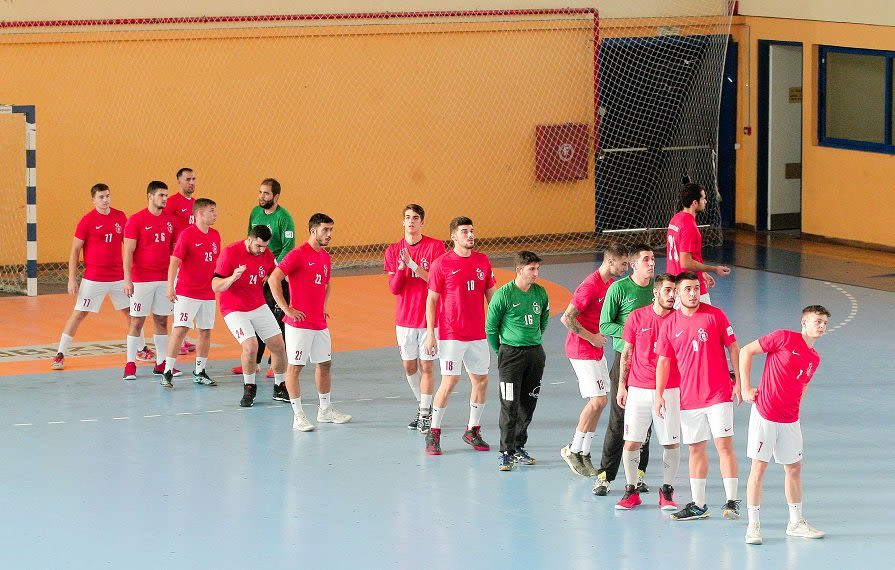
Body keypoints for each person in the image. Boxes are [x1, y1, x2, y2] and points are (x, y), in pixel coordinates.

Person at [739, 305, 830, 545]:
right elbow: (746, 351)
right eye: (817, 321)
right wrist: (745, 387)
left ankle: (795, 523)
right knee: (759, 469)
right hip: (765, 414)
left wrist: (794, 405)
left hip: (790, 419)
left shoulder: (814, 358)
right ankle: (753, 526)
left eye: (824, 323)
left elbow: (803, 384)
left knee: (794, 469)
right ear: (804, 322)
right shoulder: (783, 338)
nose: (822, 326)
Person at [655, 271, 742, 521]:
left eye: (696, 288)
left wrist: (739, 381)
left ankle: (732, 502)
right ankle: (699, 505)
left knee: (723, 445)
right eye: (688, 289)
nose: (693, 294)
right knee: (695, 449)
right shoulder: (670, 324)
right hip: (689, 398)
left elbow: (733, 347)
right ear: (677, 293)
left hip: (718, 394)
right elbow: (663, 362)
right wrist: (659, 395)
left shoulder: (715, 315)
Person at [269, 213, 351, 431]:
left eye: (331, 230)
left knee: (325, 364)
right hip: (299, 324)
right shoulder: (297, 254)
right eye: (325, 229)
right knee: (295, 368)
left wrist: (323, 306)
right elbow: (274, 278)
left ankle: (325, 410)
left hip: (319, 322)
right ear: (313, 230)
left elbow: (327, 283)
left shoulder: (325, 256)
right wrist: (287, 308)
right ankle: (298, 416)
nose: (329, 234)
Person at [422, 216, 497, 455]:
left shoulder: (482, 261)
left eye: (472, 231)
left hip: (478, 334)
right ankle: (433, 432)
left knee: (481, 381)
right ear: (453, 236)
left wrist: (499, 326)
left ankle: (472, 430)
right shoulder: (441, 264)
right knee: (450, 381)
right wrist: (431, 334)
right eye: (464, 231)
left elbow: (492, 296)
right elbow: (431, 300)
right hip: (451, 334)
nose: (470, 235)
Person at [558, 243, 629, 478]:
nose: (626, 268)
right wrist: (592, 337)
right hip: (581, 348)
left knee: (601, 401)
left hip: (595, 349)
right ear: (610, 261)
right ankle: (572, 449)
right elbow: (567, 319)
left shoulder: (609, 284)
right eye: (623, 264)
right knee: (598, 400)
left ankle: (584, 452)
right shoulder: (590, 286)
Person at [614, 274, 681, 510]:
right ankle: (631, 490)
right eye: (668, 291)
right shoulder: (637, 316)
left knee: (670, 443)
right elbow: (627, 352)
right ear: (656, 292)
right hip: (638, 389)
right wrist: (622, 386)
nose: (672, 296)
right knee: (631, 442)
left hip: (669, 390)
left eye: (675, 291)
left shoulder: (680, 319)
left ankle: (667, 491)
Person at [593, 244, 657, 496]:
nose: (651, 263)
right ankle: (605, 476)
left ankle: (638, 475)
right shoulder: (618, 289)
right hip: (626, 360)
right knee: (618, 420)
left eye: (653, 259)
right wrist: (633, 333)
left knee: (646, 423)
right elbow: (604, 325)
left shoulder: (657, 289)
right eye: (646, 259)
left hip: (650, 362)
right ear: (633, 264)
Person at [52, 184, 130, 370]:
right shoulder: (87, 221)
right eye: (101, 197)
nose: (105, 200)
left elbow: (129, 247)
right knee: (79, 313)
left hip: (118, 277)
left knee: (132, 313)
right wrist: (72, 279)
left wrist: (130, 274)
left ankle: (141, 349)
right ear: (93, 200)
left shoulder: (120, 217)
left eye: (107, 196)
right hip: (94, 278)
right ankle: (60, 354)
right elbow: (75, 251)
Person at [383, 204, 446, 431]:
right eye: (408, 217)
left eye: (416, 218)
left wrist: (412, 265)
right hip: (405, 320)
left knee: (427, 366)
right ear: (403, 222)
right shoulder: (393, 250)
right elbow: (394, 289)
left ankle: (425, 414)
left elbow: (436, 281)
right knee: (409, 366)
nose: (411, 221)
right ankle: (423, 406)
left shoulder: (435, 247)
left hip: (429, 319)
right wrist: (402, 268)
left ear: (422, 222)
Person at [485, 251, 549, 471]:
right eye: (532, 269)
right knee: (509, 404)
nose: (536, 273)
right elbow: (491, 328)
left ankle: (519, 446)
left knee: (528, 403)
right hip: (510, 355)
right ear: (519, 270)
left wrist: (533, 339)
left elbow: (543, 320)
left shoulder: (540, 293)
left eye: (537, 269)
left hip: (535, 354)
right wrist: (501, 351)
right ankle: (506, 451)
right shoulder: (503, 295)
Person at [231, 178, 295, 394]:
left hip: (275, 272)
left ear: (276, 197)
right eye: (260, 192)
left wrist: (274, 271)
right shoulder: (255, 213)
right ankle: (254, 362)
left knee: (277, 317)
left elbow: (288, 247)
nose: (261, 196)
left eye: (266, 193)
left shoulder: (284, 218)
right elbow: (250, 239)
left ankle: (274, 363)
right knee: (256, 313)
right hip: (259, 272)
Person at [213, 225, 288, 408]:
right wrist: (233, 277)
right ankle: (249, 387)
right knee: (250, 346)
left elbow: (275, 275)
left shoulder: (266, 254)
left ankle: (279, 386)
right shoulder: (230, 253)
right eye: (258, 246)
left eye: (265, 246)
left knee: (279, 345)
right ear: (249, 239)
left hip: (258, 305)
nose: (261, 250)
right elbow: (215, 285)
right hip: (234, 309)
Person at [160, 198, 221, 388]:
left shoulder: (215, 235)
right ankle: (167, 371)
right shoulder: (187, 235)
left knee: (205, 331)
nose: (215, 214)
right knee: (180, 329)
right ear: (200, 213)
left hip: (207, 292)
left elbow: (216, 263)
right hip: (187, 292)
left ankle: (199, 371)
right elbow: (174, 262)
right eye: (212, 211)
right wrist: (170, 286)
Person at [122, 181, 176, 380]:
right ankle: (130, 363)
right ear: (150, 196)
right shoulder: (136, 220)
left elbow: (175, 250)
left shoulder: (170, 220)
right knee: (137, 321)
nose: (165, 199)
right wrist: (127, 279)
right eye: (161, 195)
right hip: (141, 280)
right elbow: (128, 252)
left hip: (163, 279)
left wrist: (174, 279)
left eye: (166, 195)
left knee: (162, 320)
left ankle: (161, 363)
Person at [666, 182, 730, 304]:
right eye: (703, 198)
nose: (705, 201)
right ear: (695, 203)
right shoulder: (689, 227)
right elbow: (686, 262)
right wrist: (714, 269)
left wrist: (702, 272)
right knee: (707, 316)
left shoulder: (676, 219)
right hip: (691, 287)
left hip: (675, 284)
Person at [163, 167, 198, 356]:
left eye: (193, 179)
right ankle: (176, 338)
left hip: (192, 260)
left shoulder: (195, 204)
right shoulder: (172, 203)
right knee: (177, 297)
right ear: (179, 181)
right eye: (187, 179)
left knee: (188, 297)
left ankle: (182, 338)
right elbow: (165, 227)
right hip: (177, 257)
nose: (191, 182)